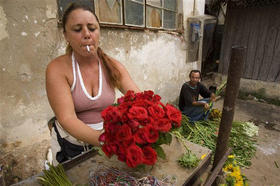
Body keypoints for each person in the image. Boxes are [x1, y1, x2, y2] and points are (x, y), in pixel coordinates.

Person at [46, 2, 140, 165]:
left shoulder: (113, 66)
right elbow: (67, 118)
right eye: (77, 29)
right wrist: (107, 141)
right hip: (72, 146)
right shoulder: (58, 69)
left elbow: (139, 98)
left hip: (105, 142)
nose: (86, 34)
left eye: (92, 28)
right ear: (66, 36)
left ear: (99, 31)